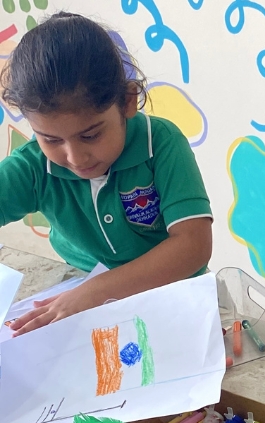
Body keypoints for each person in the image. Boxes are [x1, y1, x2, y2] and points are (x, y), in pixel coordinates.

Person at [0, 12, 213, 335]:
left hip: (174, 293)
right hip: (78, 291)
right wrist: (86, 294)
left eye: (90, 135)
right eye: (51, 140)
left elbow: (193, 246)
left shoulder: (161, 143)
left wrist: (94, 293)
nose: (75, 157)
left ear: (128, 102)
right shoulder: (33, 167)